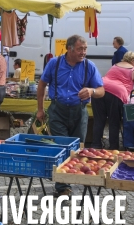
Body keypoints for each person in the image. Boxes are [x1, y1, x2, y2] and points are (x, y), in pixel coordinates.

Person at [37, 34, 104, 198]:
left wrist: (91, 91)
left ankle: (73, 176)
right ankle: (63, 187)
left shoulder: (89, 66)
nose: (83, 52)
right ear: (69, 49)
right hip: (57, 111)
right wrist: (40, 109)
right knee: (62, 147)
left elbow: (101, 91)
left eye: (85, 48)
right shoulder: (55, 63)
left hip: (79, 112)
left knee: (76, 148)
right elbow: (42, 84)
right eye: (80, 49)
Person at [92, 51, 134, 150]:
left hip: (100, 89)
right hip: (116, 93)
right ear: (133, 61)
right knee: (114, 121)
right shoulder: (132, 70)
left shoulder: (115, 66)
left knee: (99, 120)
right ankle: (113, 147)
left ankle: (96, 145)